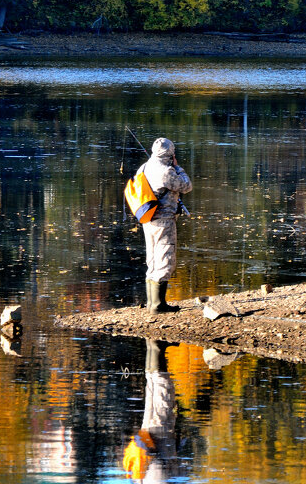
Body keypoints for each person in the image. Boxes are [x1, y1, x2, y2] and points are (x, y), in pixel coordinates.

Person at [138, 137, 192, 314]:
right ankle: (158, 306)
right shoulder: (167, 171)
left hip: (148, 218)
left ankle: (151, 303)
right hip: (164, 220)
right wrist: (177, 167)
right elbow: (186, 185)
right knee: (165, 258)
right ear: (171, 153)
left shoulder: (145, 167)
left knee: (152, 258)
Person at [122, 339, 179, 482]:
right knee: (153, 384)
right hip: (148, 435)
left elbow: (158, 465)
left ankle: (156, 346)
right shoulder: (139, 481)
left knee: (162, 387)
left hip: (158, 434)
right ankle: (153, 345)